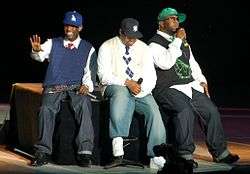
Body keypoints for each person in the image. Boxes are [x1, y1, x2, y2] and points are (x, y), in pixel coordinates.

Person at [148, 7, 239, 167]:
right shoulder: (153, 44)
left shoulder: (182, 42)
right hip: (167, 88)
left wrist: (201, 80)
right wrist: (177, 41)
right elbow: (165, 63)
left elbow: (192, 63)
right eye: (172, 18)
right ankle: (185, 154)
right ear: (161, 23)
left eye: (177, 18)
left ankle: (220, 153)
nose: (176, 21)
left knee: (211, 111)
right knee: (185, 111)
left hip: (188, 85)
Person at [29, 11, 97, 167]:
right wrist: (36, 50)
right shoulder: (53, 43)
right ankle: (43, 151)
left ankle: (84, 152)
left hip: (75, 86)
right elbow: (39, 57)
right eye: (67, 25)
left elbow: (89, 72)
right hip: (55, 85)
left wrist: (87, 86)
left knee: (85, 106)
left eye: (73, 26)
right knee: (46, 109)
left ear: (80, 28)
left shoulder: (88, 48)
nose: (69, 29)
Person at [97, 18, 166, 169]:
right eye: (128, 36)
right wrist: (127, 82)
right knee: (122, 94)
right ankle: (118, 149)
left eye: (134, 36)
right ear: (120, 32)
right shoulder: (107, 46)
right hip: (114, 86)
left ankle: (156, 155)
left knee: (154, 111)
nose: (132, 40)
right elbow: (103, 76)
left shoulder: (144, 48)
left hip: (139, 91)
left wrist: (141, 90)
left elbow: (151, 76)